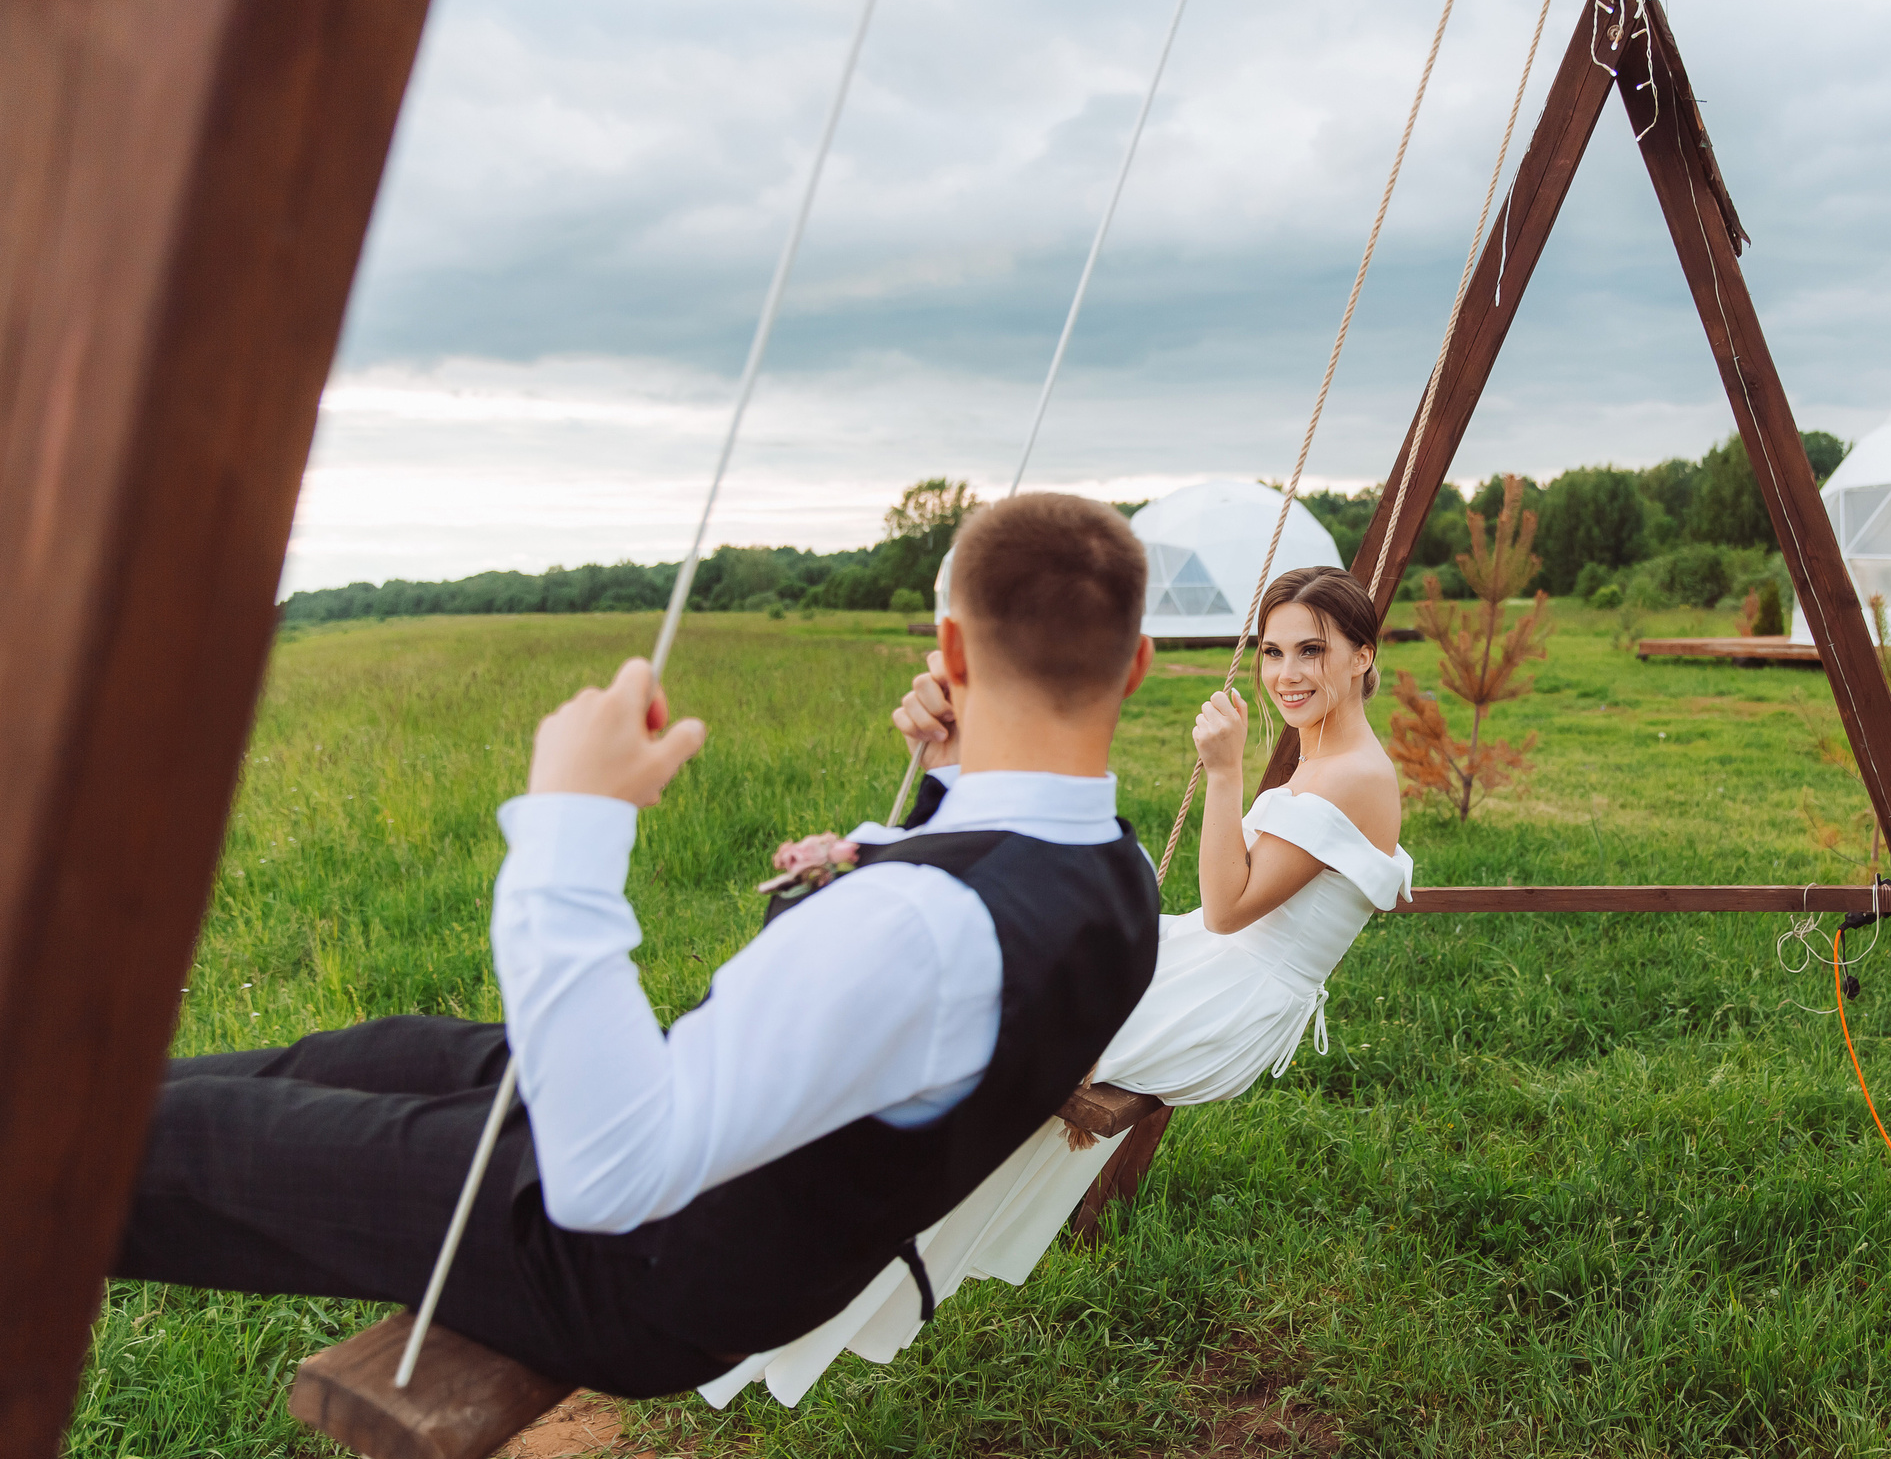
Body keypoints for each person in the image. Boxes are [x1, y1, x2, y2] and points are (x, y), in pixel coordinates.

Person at [115, 493, 1163, 1400]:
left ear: (950, 651)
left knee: (196, 1142)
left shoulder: (914, 925)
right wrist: (946, 773)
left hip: (637, 1270)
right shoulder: (1121, 876)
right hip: (753, 1200)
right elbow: (992, 896)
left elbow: (608, 1176)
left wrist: (571, 818)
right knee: (395, 1055)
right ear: (1139, 665)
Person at [702, 565, 1408, 1409]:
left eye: (1313, 651)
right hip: (1209, 966)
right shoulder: (1329, 760)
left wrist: (1225, 772)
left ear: (1364, 655)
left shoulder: (1353, 773)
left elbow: (1228, 909)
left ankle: (795, 1204)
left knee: (986, 1023)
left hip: (1224, 996)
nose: (1287, 673)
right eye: (1272, 650)